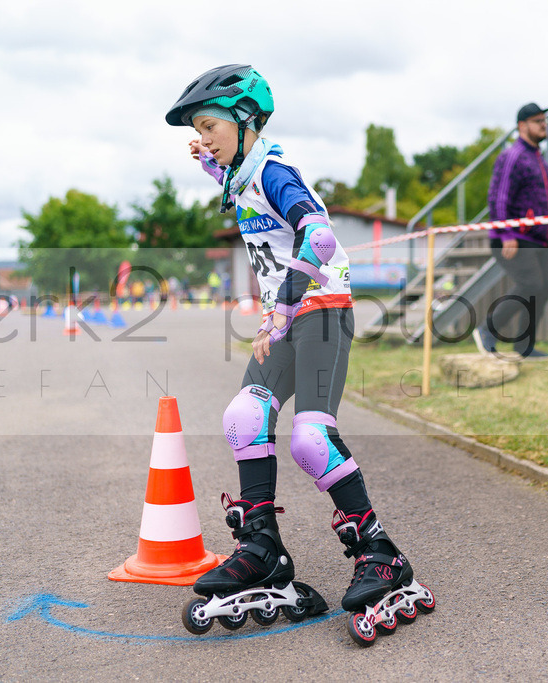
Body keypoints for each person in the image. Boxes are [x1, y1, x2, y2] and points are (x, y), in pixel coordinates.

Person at [166, 64, 432, 641]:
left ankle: (380, 552)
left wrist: (283, 306)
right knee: (244, 416)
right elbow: (249, 199)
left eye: (210, 125)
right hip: (284, 317)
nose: (203, 135)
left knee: (311, 436)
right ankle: (262, 548)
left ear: (246, 120)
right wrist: (214, 164)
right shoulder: (246, 172)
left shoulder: (276, 170)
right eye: (198, 128)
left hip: (320, 308)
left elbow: (320, 235)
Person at [474, 102, 548, 361]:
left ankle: (524, 347)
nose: (544, 124)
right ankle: (488, 329)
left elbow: (541, 200)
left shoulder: (539, 159)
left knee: (543, 288)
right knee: (531, 283)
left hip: (538, 238)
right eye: (537, 120)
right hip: (514, 238)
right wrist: (506, 233)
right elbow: (498, 197)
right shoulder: (512, 156)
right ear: (522, 126)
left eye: (545, 120)